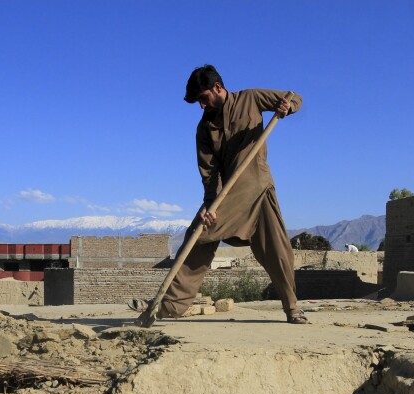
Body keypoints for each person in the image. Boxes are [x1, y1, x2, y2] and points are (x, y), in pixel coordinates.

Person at [130, 64, 307, 324]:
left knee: (278, 250)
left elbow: (295, 98)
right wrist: (209, 203)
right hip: (230, 194)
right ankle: (169, 305)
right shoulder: (205, 128)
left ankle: (293, 309)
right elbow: (210, 172)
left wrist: (287, 108)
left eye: (203, 98)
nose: (202, 106)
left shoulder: (251, 98)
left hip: (259, 187)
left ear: (217, 88)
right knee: (200, 233)